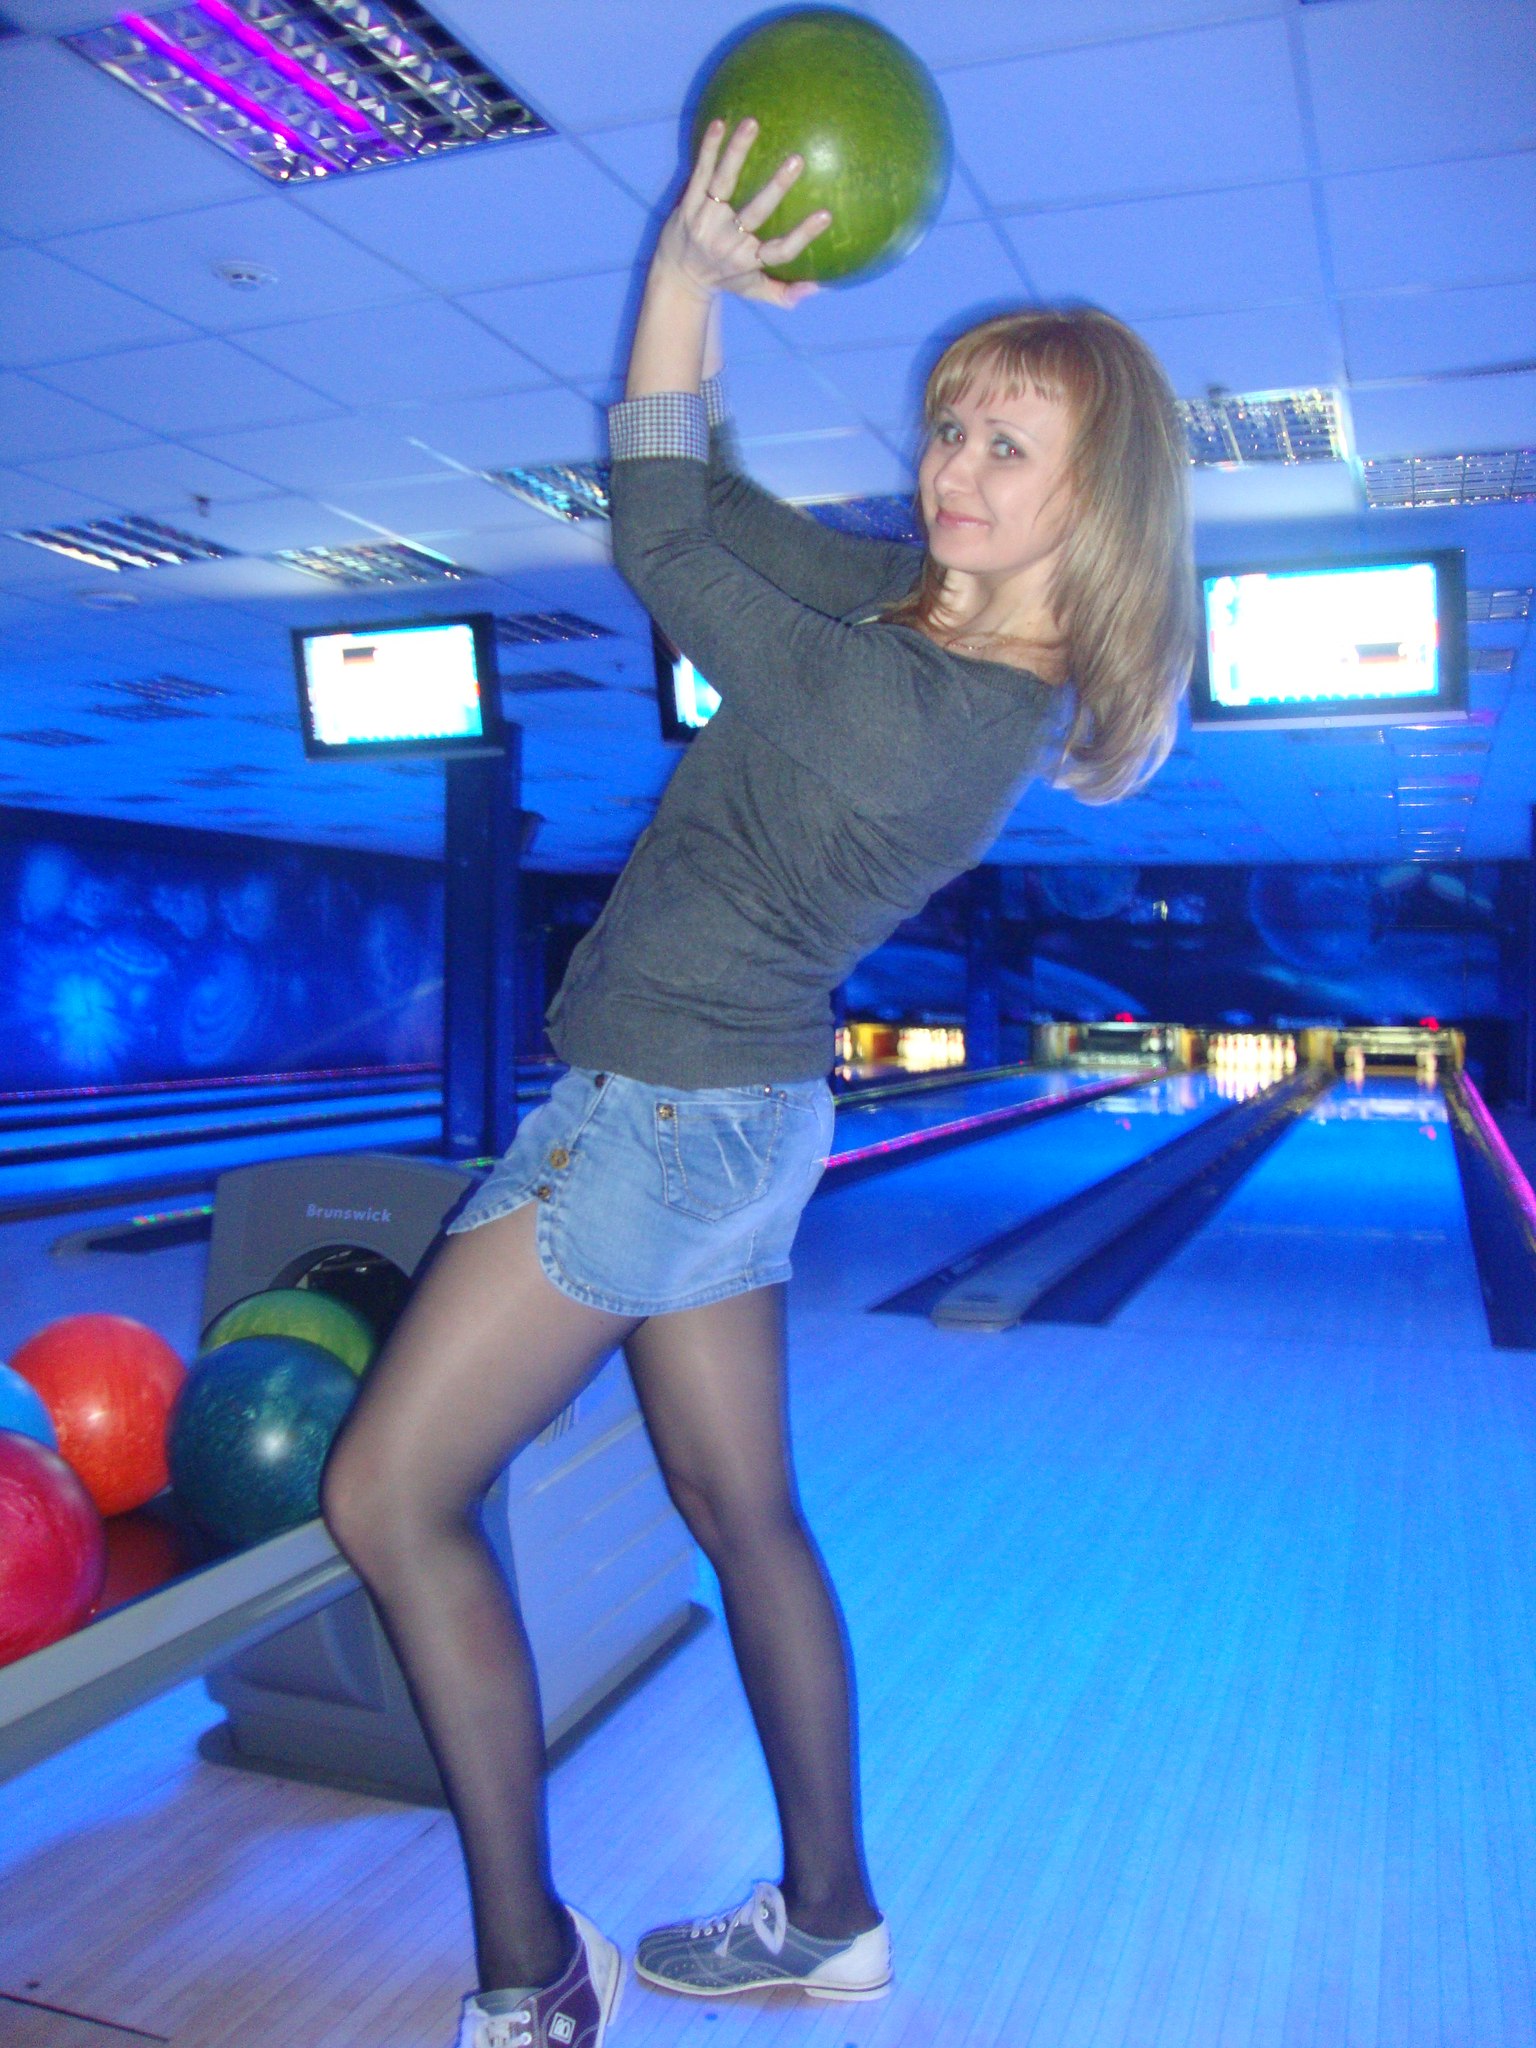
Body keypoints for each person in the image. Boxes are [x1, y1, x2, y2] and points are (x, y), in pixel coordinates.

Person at [320, 116, 1193, 2048]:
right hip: (735, 1112)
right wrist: (699, 327)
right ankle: (829, 1917)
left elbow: (654, 539)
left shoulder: (924, 705)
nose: (953, 466)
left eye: (1007, 446)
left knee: (386, 1495)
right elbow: (707, 499)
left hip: (659, 1114)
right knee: (747, 1515)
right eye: (951, 425)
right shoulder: (916, 613)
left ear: (1098, 496)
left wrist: (684, 270)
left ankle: (529, 1967)